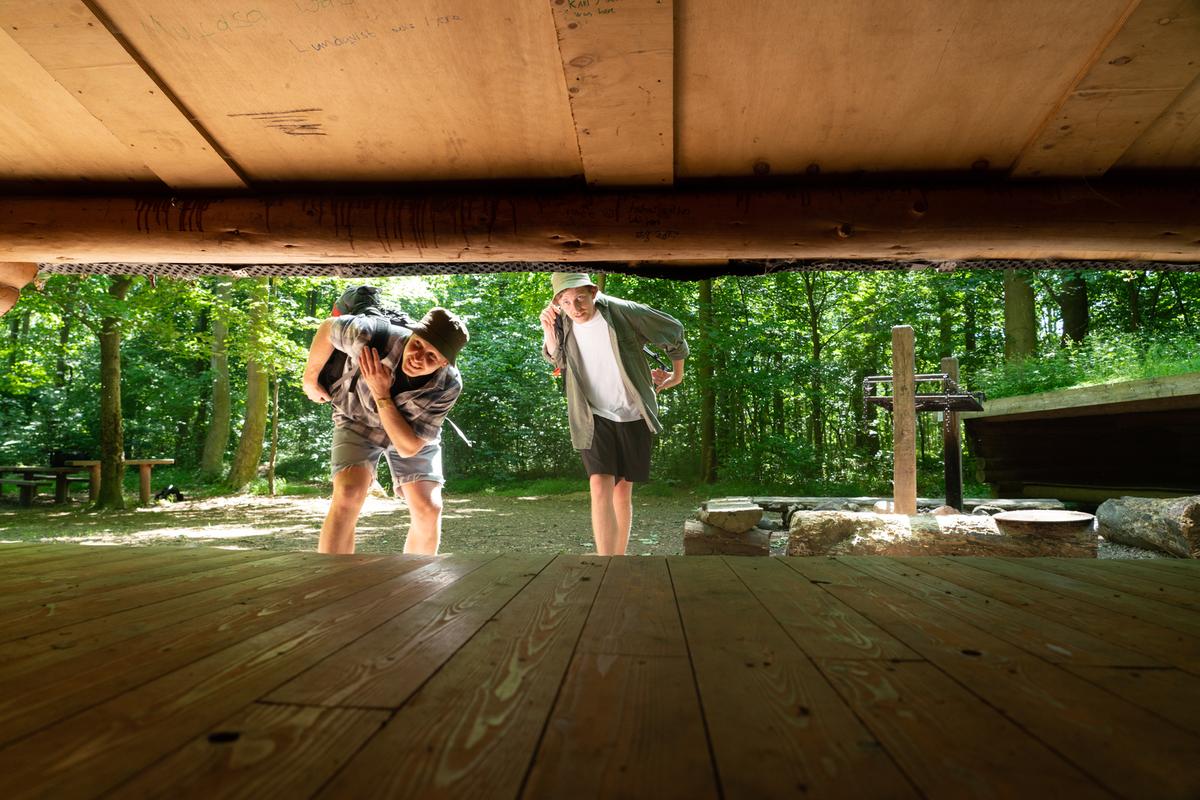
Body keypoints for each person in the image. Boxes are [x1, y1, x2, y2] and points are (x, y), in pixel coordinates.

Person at [540, 273, 688, 556]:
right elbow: (558, 360)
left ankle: (616, 561)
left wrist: (676, 376)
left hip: (633, 411)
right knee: (599, 484)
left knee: (622, 490)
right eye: (567, 302)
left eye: (580, 299)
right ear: (558, 302)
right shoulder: (561, 321)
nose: (575, 308)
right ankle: (604, 563)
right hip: (592, 415)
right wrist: (548, 331)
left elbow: (673, 329)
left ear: (593, 292)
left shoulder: (624, 312)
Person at [302, 305, 468, 555]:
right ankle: (333, 580)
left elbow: (409, 447)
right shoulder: (372, 337)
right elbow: (328, 328)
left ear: (444, 363)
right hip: (355, 418)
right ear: (412, 334)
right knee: (348, 492)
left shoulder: (448, 385)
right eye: (418, 345)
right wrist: (310, 378)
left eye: (432, 357)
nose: (418, 358)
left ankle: (416, 584)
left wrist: (381, 393)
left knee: (429, 507)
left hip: (409, 432)